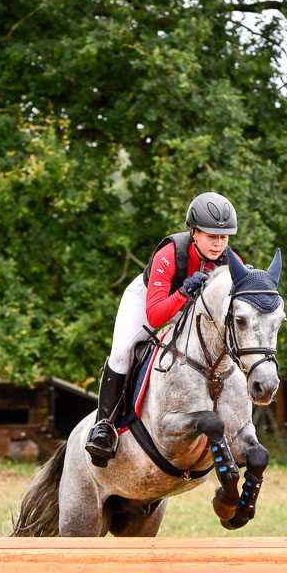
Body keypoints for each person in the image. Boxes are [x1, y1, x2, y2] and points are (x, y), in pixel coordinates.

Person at [85, 191, 238, 467]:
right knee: (122, 351)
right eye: (211, 236)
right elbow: (155, 315)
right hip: (149, 299)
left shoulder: (230, 259)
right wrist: (184, 291)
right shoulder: (170, 254)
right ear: (194, 232)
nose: (218, 244)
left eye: (223, 237)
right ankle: (104, 426)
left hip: (190, 305)